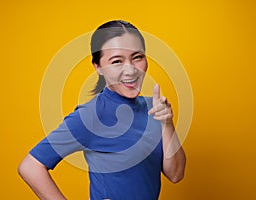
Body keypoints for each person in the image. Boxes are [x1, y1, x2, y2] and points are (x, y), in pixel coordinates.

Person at [18, 20, 186, 200]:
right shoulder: (91, 116)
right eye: (116, 61)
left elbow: (175, 174)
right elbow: (30, 167)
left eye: (137, 57)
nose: (130, 70)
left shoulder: (154, 108)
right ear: (98, 67)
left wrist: (167, 124)